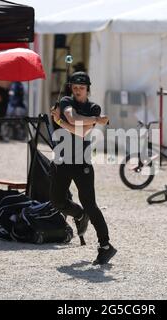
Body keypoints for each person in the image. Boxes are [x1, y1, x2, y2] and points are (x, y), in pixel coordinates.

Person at [50, 71, 116, 265]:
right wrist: (95, 119)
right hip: (62, 160)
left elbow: (80, 132)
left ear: (88, 89)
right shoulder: (65, 101)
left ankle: (105, 246)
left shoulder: (93, 107)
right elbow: (72, 120)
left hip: (82, 162)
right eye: (75, 87)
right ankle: (79, 215)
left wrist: (61, 122)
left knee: (91, 204)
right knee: (56, 200)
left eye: (82, 88)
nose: (78, 91)